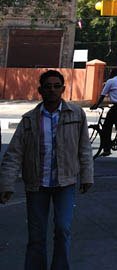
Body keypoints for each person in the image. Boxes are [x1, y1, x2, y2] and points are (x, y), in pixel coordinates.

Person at [0, 69, 94, 270]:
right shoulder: (29, 119)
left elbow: (84, 148)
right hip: (37, 185)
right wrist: (6, 184)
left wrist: (87, 176)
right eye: (48, 86)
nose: (52, 90)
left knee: (62, 229)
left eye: (56, 86)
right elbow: (14, 153)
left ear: (63, 89)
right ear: (40, 90)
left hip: (65, 183)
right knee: (36, 236)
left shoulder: (76, 115)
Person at [90, 73, 117, 158]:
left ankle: (107, 149)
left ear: (110, 75)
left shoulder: (110, 81)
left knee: (106, 126)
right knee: (114, 118)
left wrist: (96, 105)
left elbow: (102, 96)